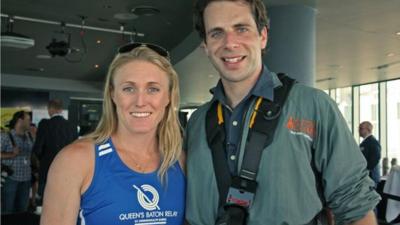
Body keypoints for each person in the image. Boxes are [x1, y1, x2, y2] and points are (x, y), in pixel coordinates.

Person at [185, 0, 380, 224]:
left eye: (241, 29)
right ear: (205, 46)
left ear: (263, 36)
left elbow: (355, 204)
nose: (230, 42)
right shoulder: (197, 122)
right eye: (216, 33)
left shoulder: (314, 106)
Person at [40, 43, 185, 225]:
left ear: (169, 96)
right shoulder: (76, 160)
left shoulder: (180, 160)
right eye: (128, 89)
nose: (140, 101)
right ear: (112, 94)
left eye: (153, 89)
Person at [33, 99, 78, 206]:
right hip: (67, 171)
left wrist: (39, 160)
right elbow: (75, 149)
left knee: (46, 202)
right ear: (61, 109)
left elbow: (38, 149)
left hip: (47, 169)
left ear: (50, 109)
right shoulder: (71, 126)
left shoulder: (44, 124)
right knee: (63, 203)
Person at [1, 110, 34, 213]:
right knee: (8, 210)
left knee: (22, 211)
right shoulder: (5, 136)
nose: (30, 122)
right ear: (20, 120)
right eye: (28, 119)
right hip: (11, 179)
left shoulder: (29, 136)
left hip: (26, 179)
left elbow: (32, 155)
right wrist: (12, 154)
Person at [359, 121, 381, 186]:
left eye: (361, 128)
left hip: (371, 177)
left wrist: (366, 169)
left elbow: (375, 158)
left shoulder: (373, 142)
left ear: (368, 130)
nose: (359, 130)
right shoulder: (365, 142)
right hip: (366, 175)